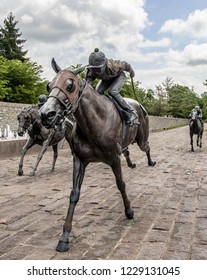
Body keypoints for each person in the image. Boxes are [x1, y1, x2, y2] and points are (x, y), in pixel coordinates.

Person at [85, 48, 139, 126]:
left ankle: (131, 112)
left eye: (99, 68)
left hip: (118, 76)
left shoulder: (113, 64)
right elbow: (87, 84)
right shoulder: (91, 70)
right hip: (106, 79)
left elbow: (126, 65)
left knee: (112, 91)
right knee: (97, 93)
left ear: (104, 64)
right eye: (95, 69)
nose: (97, 71)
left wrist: (131, 72)